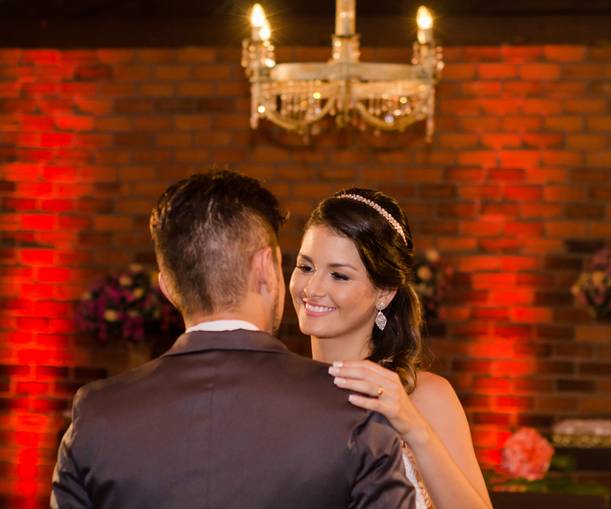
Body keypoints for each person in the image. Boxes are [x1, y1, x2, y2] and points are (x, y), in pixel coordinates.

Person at [51, 171, 416, 508]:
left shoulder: (97, 412)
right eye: (304, 267)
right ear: (267, 267)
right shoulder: (356, 409)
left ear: (168, 287)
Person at [289, 188, 492, 509]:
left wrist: (413, 427)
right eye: (306, 267)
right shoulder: (283, 392)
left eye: (339, 275)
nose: (312, 289)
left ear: (384, 292)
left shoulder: (424, 396)